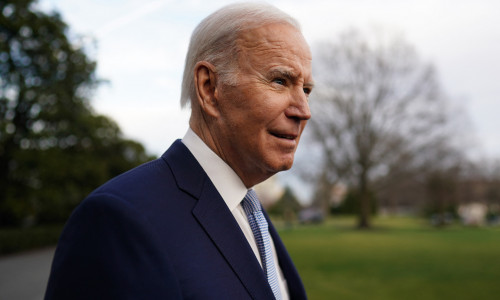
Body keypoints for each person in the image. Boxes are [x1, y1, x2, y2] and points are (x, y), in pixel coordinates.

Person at [45, 2, 313, 299]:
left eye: (306, 90)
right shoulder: (118, 221)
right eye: (280, 81)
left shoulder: (251, 212)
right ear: (210, 88)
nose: (304, 110)